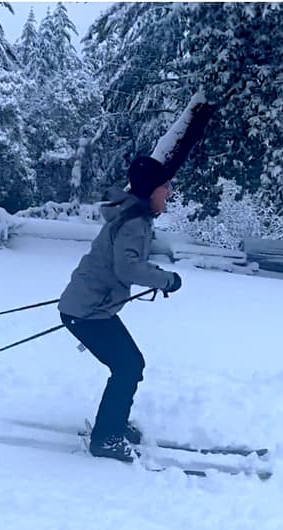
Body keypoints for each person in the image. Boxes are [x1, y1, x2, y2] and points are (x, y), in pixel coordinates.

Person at [58, 156, 183, 462]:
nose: (168, 192)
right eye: (165, 187)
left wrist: (151, 273)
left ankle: (112, 427)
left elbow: (126, 264)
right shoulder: (135, 222)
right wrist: (166, 280)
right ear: (150, 190)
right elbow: (128, 269)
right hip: (88, 310)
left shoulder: (132, 216)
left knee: (128, 365)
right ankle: (106, 439)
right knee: (128, 366)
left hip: (89, 305)